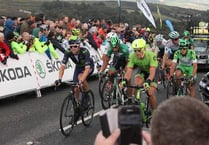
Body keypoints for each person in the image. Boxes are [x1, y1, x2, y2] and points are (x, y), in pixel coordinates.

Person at [94, 97, 209, 145]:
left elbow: (154, 71)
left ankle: (154, 110)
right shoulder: (132, 57)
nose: (138, 52)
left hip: (151, 75)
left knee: (151, 91)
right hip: (140, 74)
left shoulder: (149, 56)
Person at [54, 36, 94, 122]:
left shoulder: (84, 51)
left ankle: (86, 96)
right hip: (78, 67)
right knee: (75, 88)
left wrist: (81, 81)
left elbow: (87, 69)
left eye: (75, 46)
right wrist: (59, 79)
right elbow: (62, 67)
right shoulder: (68, 52)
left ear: (79, 46)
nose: (73, 48)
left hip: (88, 66)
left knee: (81, 78)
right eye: (71, 46)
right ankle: (78, 107)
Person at [121, 38, 158, 110]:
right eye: (135, 50)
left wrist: (148, 81)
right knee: (136, 84)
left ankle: (155, 113)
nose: (137, 52)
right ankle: (136, 103)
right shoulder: (132, 56)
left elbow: (152, 71)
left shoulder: (151, 55)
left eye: (139, 50)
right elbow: (129, 71)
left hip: (153, 72)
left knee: (150, 93)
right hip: (143, 71)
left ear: (144, 49)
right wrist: (124, 80)